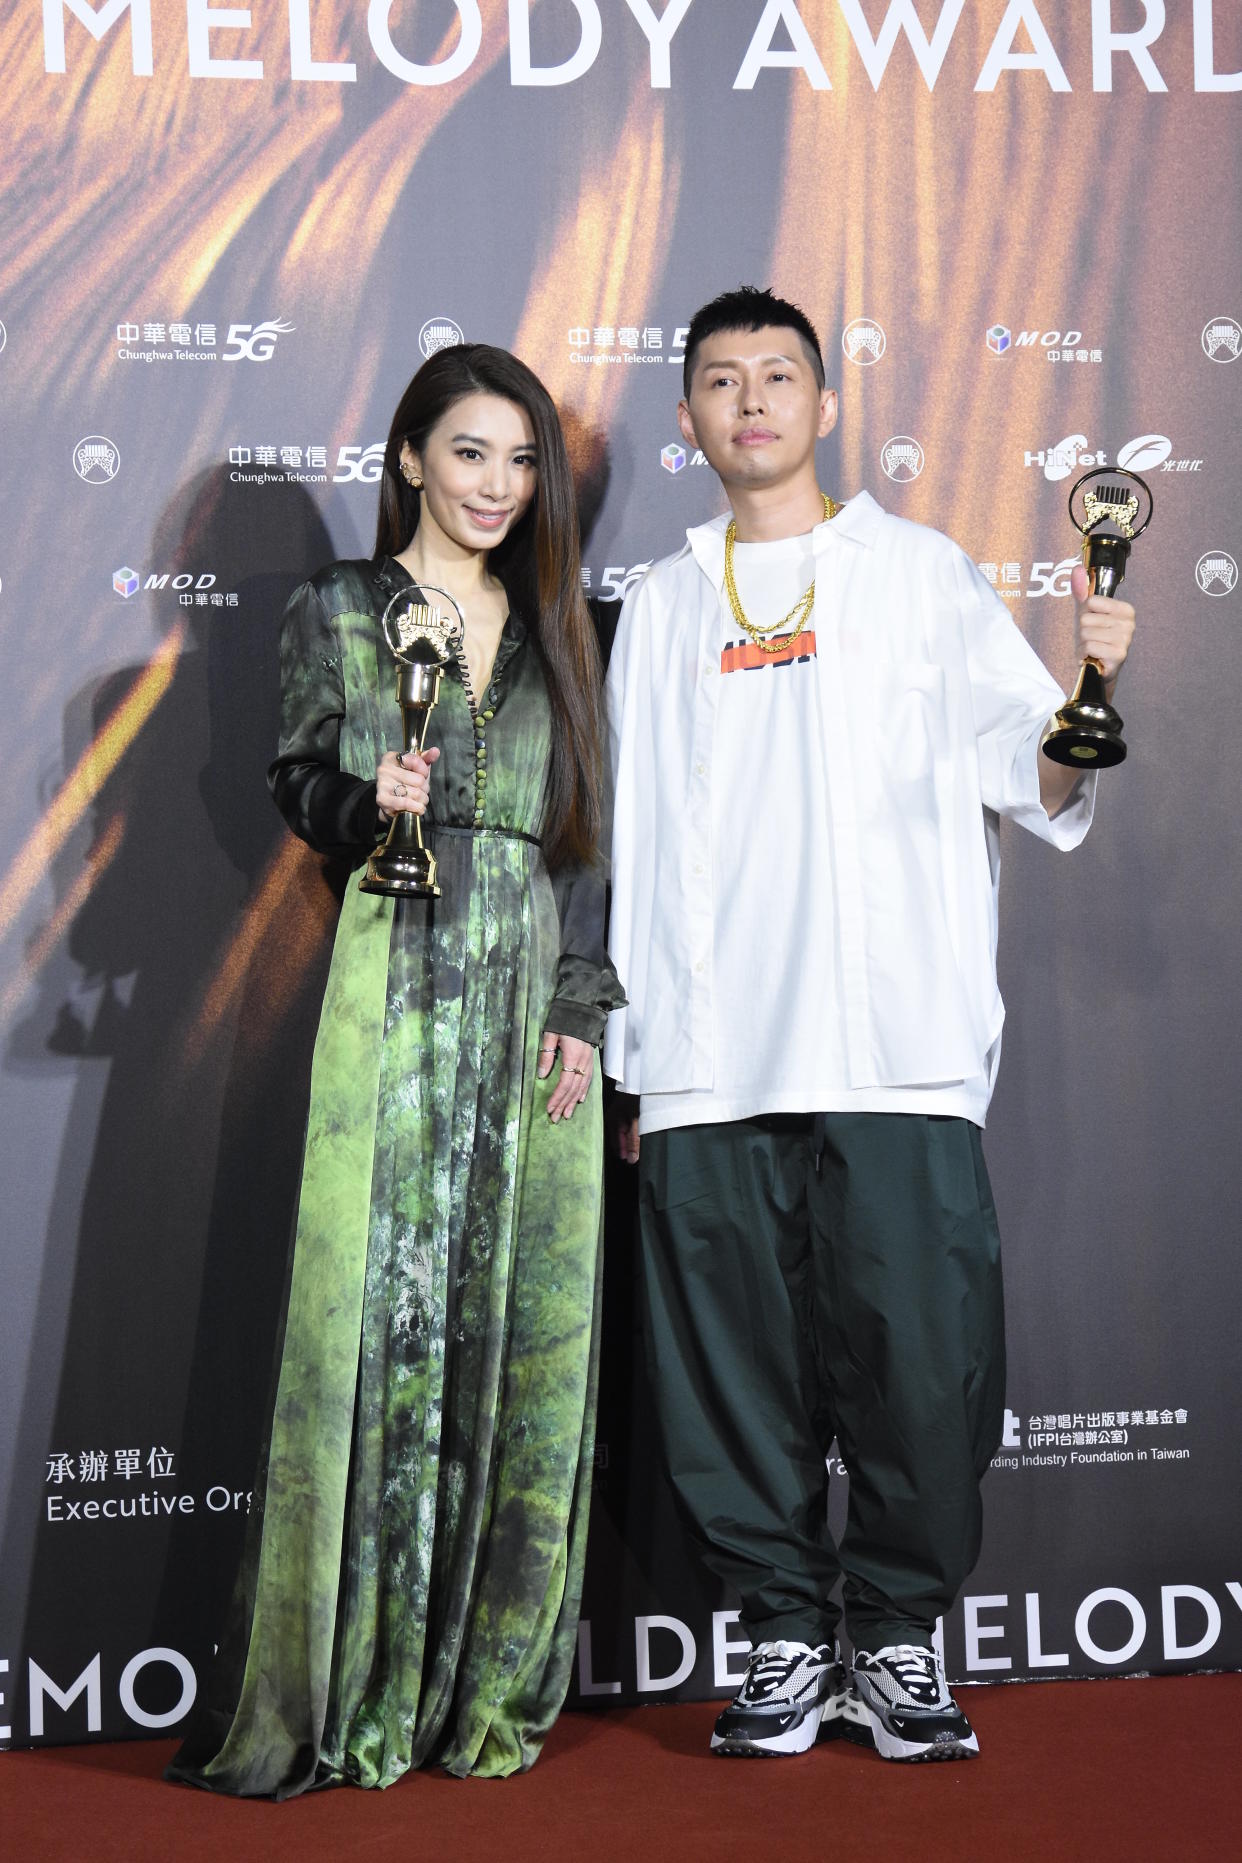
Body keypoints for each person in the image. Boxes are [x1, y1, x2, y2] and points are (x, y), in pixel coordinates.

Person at [604, 287, 1135, 1763]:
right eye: (720, 380)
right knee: (731, 1380)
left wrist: (1091, 679)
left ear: (824, 403)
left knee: (918, 1360)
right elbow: (637, 838)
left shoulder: (917, 576)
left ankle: (897, 1642)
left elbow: (1031, 775)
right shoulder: (655, 604)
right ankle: (778, 1641)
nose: (751, 400)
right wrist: (638, 1053)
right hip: (710, 1061)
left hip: (893, 1043)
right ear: (690, 416)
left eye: (778, 375)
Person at [170, 342, 623, 1795]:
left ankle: (481, 1677)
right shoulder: (342, 610)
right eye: (469, 453)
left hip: (529, 986)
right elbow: (292, 775)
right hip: (394, 959)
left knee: (522, 1320)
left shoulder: (564, 623)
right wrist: (372, 803)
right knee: (374, 1304)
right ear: (412, 458)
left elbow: (593, 839)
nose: (495, 486)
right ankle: (352, 1675)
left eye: (519, 460)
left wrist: (579, 1005)